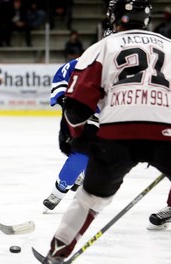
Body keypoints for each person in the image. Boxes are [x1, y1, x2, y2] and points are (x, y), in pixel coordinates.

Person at [42, 1, 171, 263]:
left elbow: (77, 107)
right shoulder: (168, 45)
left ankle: (57, 253)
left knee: (89, 199)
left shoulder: (102, 47)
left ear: (113, 18)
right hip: (164, 130)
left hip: (116, 131)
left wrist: (77, 138)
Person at [43, 58, 99, 213]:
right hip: (89, 118)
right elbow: (62, 74)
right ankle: (59, 191)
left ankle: (87, 185)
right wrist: (62, 98)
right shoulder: (90, 59)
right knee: (80, 155)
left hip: (115, 120)